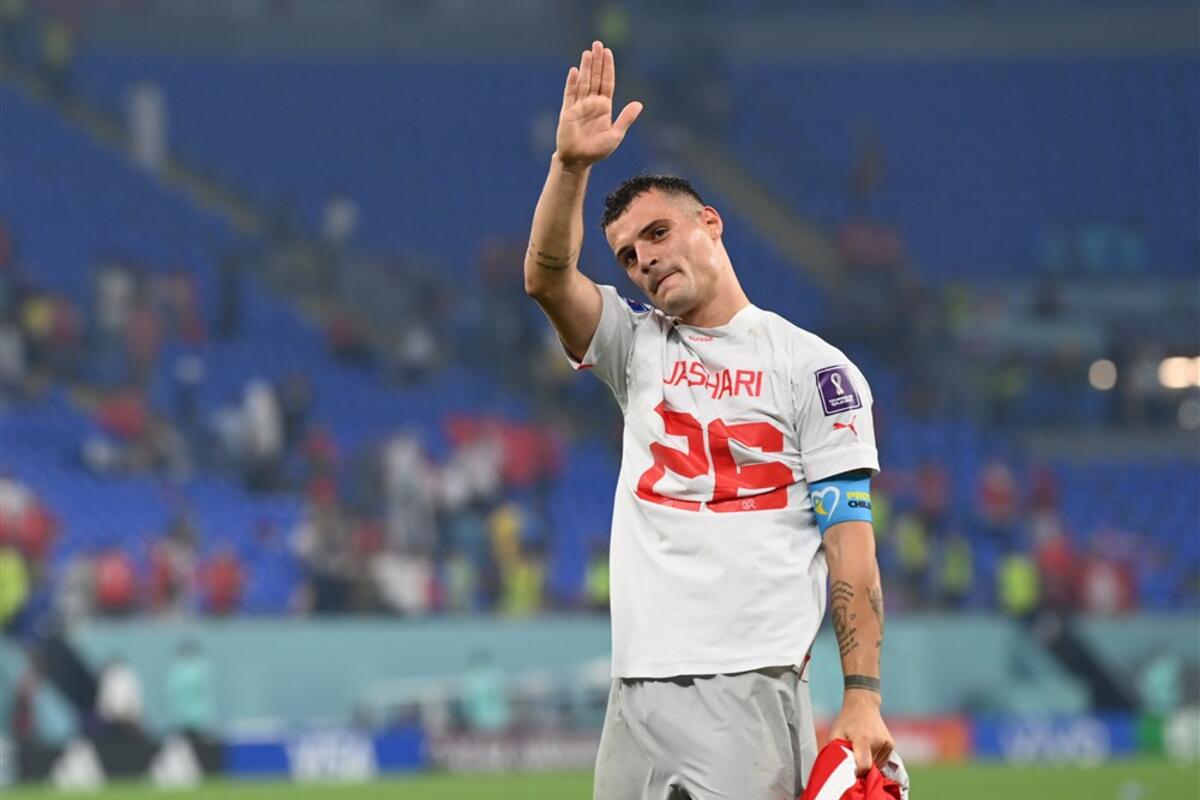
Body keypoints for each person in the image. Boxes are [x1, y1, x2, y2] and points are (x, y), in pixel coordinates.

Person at [523, 41, 893, 799]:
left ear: (711, 224)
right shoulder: (634, 347)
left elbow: (849, 544)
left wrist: (862, 695)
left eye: (658, 234)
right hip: (634, 686)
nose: (644, 260)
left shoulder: (814, 371)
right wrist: (569, 166)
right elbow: (547, 278)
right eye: (628, 256)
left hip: (747, 684)